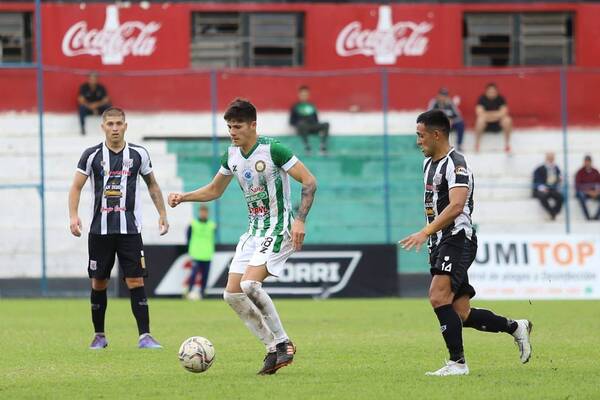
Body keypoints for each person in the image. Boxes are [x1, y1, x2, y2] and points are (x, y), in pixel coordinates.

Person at [169, 98, 317, 375]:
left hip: (278, 227)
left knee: (250, 285)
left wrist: (300, 220)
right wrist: (184, 197)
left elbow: (309, 181)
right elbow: (215, 190)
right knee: (232, 294)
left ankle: (284, 343)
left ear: (253, 125)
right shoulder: (232, 156)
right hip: (253, 232)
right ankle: (272, 348)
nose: (232, 132)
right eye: (229, 127)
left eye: (237, 126)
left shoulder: (274, 150)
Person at [399, 109, 532, 376]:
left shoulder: (456, 163)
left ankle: (457, 363)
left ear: (437, 134)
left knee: (438, 297)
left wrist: (425, 231)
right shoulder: (428, 164)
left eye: (420, 135)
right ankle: (516, 327)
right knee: (461, 313)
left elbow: (457, 205)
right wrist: (431, 237)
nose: (418, 141)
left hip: (456, 239)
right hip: (440, 242)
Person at [68, 107, 169, 350]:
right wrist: (73, 216)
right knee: (99, 282)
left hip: (130, 231)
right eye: (110, 124)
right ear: (102, 127)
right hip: (99, 231)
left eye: (118, 124)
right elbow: (76, 187)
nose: (114, 128)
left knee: (135, 280)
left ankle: (145, 336)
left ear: (125, 126)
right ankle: (99, 335)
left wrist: (162, 214)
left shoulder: (138, 154)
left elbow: (153, 185)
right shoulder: (91, 155)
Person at [185, 205, 216, 299]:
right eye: (202, 212)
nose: (203, 214)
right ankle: (189, 291)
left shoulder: (212, 225)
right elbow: (188, 237)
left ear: (208, 213)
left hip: (207, 254)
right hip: (196, 254)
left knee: (205, 276)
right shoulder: (193, 224)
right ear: (199, 212)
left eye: (205, 212)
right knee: (193, 274)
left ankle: (202, 293)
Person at [289, 85, 330, 155]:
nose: (304, 96)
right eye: (302, 95)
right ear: (299, 95)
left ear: (308, 95)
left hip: (312, 126)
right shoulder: (295, 106)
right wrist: (298, 124)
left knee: (326, 124)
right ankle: (307, 146)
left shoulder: (311, 106)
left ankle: (323, 146)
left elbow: (316, 119)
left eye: (306, 95)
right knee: (302, 124)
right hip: (302, 128)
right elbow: (291, 121)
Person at [474, 83, 512, 153]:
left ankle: (507, 145)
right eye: (490, 91)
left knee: (507, 120)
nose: (491, 93)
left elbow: (504, 112)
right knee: (480, 120)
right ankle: (477, 144)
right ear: (486, 92)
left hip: (498, 123)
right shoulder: (482, 99)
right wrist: (496, 114)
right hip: (486, 125)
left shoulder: (500, 99)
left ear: (496, 92)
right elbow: (479, 113)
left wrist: (488, 115)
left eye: (493, 91)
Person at [428, 87, 465, 152]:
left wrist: (451, 120)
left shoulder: (450, 103)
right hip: (438, 124)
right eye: (441, 95)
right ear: (438, 95)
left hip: (450, 125)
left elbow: (458, 116)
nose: (443, 97)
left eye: (445, 96)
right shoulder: (434, 103)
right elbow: (428, 115)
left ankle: (459, 145)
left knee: (460, 123)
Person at [533, 152, 564, 220]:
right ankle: (552, 212)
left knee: (561, 197)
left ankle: (554, 211)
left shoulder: (556, 168)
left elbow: (558, 178)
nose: (551, 160)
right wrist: (543, 188)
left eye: (552, 159)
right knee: (543, 196)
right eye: (549, 158)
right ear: (546, 159)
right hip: (542, 189)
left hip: (552, 189)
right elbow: (537, 180)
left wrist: (559, 180)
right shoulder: (540, 169)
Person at [575, 155, 600, 220]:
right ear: (584, 162)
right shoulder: (580, 172)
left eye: (589, 161)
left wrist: (597, 191)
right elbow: (578, 186)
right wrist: (588, 191)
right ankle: (587, 217)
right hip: (584, 192)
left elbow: (598, 183)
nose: (587, 163)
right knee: (581, 196)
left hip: (594, 192)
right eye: (586, 161)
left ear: (591, 162)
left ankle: (596, 217)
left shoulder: (595, 171)